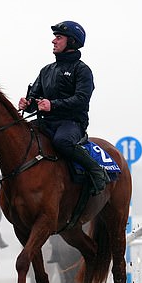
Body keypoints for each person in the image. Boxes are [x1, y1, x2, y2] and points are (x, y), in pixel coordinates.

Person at [18, 21, 110, 196]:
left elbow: (81, 100)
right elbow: (34, 99)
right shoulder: (46, 70)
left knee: (62, 142)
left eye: (58, 37)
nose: (53, 41)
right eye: (54, 37)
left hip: (72, 124)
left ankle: (97, 171)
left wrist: (53, 105)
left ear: (72, 42)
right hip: (47, 122)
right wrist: (27, 104)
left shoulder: (82, 70)